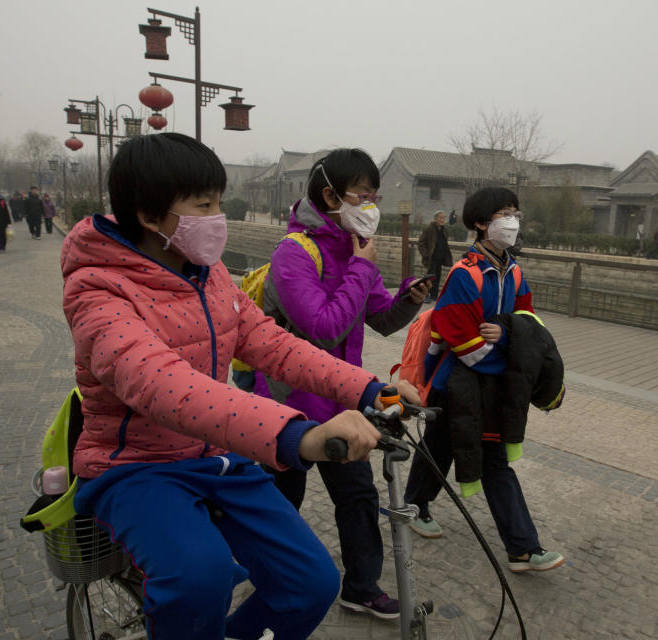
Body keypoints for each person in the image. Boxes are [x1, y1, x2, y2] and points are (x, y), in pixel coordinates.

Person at [62, 132, 420, 640]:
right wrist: (297, 434)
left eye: (218, 202)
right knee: (199, 578)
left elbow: (275, 345)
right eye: (203, 204)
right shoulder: (98, 291)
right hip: (136, 467)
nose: (217, 217)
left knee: (312, 583)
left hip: (216, 458)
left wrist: (368, 390)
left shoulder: (210, 277)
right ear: (148, 216)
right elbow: (160, 383)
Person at [251, 148, 429, 620]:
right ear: (330, 195)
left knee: (358, 496)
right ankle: (278, 587)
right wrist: (364, 268)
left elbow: (379, 318)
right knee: (281, 503)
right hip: (287, 406)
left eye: (375, 197)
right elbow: (324, 327)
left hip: (341, 402)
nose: (371, 206)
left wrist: (408, 300)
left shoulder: (353, 247)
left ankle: (362, 587)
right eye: (363, 196)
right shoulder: (294, 253)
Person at [403, 187, 564, 573]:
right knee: (476, 457)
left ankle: (415, 505)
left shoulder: (515, 272)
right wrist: (511, 356)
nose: (512, 221)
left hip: (490, 384)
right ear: (480, 223)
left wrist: (505, 336)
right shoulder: (464, 275)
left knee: (446, 449)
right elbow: (466, 345)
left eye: (515, 213)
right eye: (504, 213)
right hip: (458, 383)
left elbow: (529, 328)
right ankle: (522, 548)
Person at [418, 210, 452, 300]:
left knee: (437, 277)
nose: (442, 220)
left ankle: (434, 296)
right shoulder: (429, 228)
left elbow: (445, 243)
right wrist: (425, 255)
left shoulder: (443, 229)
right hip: (431, 258)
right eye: (440, 218)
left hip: (440, 258)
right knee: (430, 277)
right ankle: (426, 295)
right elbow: (421, 242)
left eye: (444, 218)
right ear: (436, 218)